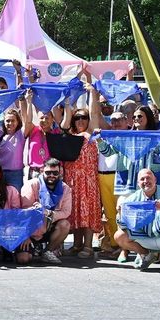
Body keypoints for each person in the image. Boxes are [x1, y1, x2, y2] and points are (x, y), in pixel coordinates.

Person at [114, 168, 160, 273]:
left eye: (148, 178)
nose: (145, 181)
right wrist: (121, 214)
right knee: (119, 235)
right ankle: (145, 255)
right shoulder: (132, 199)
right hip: (143, 237)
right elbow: (125, 226)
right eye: (142, 179)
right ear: (138, 183)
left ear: (155, 180)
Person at [60, 100, 102, 259]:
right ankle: (77, 245)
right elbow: (63, 122)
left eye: (83, 117)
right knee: (75, 212)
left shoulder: (90, 134)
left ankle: (88, 246)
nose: (80, 121)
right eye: (76, 118)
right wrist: (67, 103)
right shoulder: (70, 135)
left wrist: (92, 91)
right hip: (72, 181)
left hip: (88, 181)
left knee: (87, 212)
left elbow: (95, 113)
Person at [20, 158, 72, 265]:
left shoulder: (65, 188)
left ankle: (47, 251)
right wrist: (25, 236)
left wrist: (48, 213)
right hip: (30, 229)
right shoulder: (31, 185)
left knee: (65, 224)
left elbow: (66, 212)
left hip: (49, 226)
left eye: (55, 173)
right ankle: (28, 248)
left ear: (60, 172)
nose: (51, 175)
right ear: (42, 171)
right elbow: (23, 212)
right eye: (48, 172)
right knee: (23, 259)